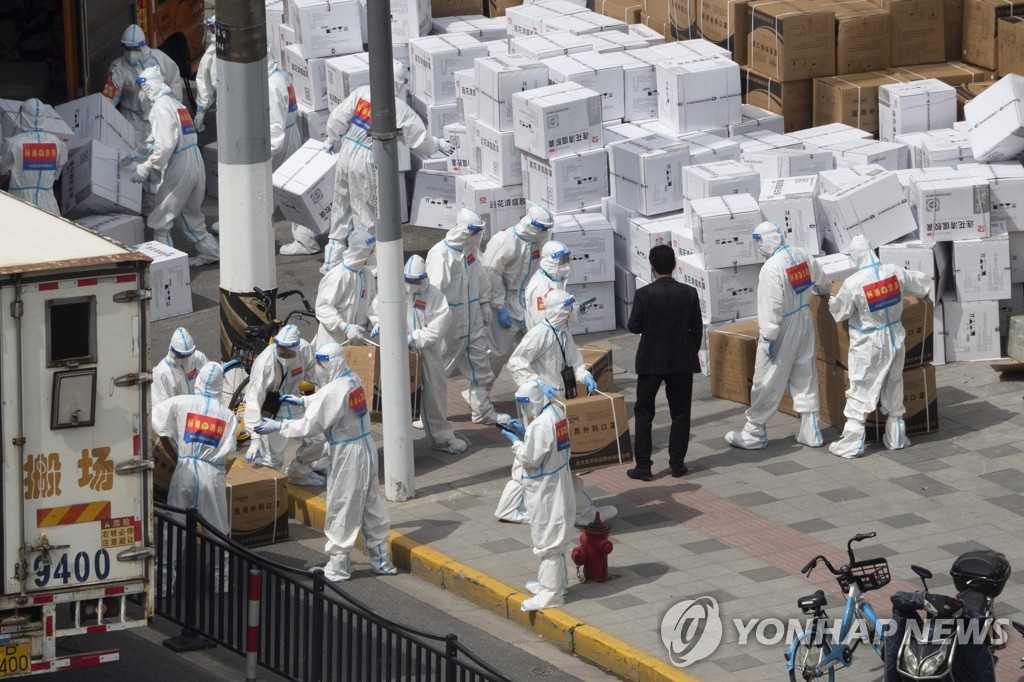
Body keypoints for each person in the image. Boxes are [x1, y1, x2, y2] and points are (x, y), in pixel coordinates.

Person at [253, 343, 398, 582]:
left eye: (321, 362)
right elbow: (330, 399)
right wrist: (304, 402)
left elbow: (312, 425)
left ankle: (338, 567)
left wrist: (279, 426)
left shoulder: (336, 390)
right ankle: (382, 560)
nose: (319, 367)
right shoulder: (352, 379)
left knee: (342, 506)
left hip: (348, 454)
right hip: (365, 447)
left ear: (332, 362)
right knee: (370, 504)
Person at [321, 59, 455, 273]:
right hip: (368, 158)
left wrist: (330, 138)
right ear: (399, 84)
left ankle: (331, 262)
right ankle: (369, 265)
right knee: (365, 212)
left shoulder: (361, 93)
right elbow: (418, 138)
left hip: (346, 152)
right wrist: (438, 144)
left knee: (341, 206)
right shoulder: (399, 108)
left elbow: (338, 116)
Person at [504, 288, 615, 528]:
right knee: (544, 457)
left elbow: (574, 361)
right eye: (566, 311)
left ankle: (514, 507)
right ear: (556, 311)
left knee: (552, 457)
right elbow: (516, 361)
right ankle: (581, 512)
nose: (571, 315)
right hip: (539, 403)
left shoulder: (563, 331)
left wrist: (583, 375)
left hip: (559, 402)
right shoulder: (539, 335)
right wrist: (536, 383)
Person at [726, 221, 833, 450]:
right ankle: (810, 430)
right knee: (805, 373)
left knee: (766, 379)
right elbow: (822, 282)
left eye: (760, 243)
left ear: (767, 241)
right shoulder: (801, 255)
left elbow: (771, 305)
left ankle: (754, 431)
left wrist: (768, 337)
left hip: (782, 326)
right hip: (804, 319)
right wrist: (824, 291)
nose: (759, 248)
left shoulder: (771, 268)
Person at [828, 235, 931, 459]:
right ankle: (896, 438)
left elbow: (839, 312)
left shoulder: (854, 282)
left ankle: (852, 443)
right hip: (895, 336)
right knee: (894, 384)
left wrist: (830, 300)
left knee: (861, 388)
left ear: (856, 257)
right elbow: (921, 285)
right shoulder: (895, 271)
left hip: (869, 343)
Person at [152, 362, 237, 593]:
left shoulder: (182, 402)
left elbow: (157, 419)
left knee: (174, 528)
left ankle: (163, 586)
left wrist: (174, 437)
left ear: (198, 381)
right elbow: (229, 450)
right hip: (212, 474)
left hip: (185, 472)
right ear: (221, 385)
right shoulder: (228, 416)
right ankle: (222, 583)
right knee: (217, 529)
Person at [371, 255, 468, 454]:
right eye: (408, 280)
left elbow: (439, 326)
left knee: (434, 393)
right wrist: (379, 324)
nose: (412, 284)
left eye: (415, 280)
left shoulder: (433, 296)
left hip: (427, 351)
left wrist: (415, 338)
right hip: (396, 351)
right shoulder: (394, 289)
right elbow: (377, 309)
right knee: (394, 395)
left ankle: (441, 438)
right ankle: (397, 443)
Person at [425, 207, 509, 426]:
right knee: (437, 372)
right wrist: (434, 325)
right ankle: (428, 416)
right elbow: (432, 294)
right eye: (473, 231)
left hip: (472, 323)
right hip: (449, 327)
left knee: (481, 368)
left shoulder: (469, 251)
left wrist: (485, 303)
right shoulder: (441, 254)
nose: (475, 236)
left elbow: (480, 277)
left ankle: (483, 412)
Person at [129, 66, 220, 267]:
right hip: (194, 160)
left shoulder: (160, 107)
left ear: (150, 87)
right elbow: (156, 139)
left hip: (180, 164)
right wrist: (134, 155)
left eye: (142, 89)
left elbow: (165, 144)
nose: (141, 95)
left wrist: (146, 167)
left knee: (161, 216)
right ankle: (212, 252)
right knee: (190, 214)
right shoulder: (175, 104)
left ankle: (166, 264)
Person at [626, 244, 702, 481]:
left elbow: (633, 326)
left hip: (651, 360)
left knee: (644, 411)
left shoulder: (644, 294)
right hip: (681, 360)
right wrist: (690, 351)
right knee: (680, 412)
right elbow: (697, 329)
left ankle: (644, 466)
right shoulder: (689, 293)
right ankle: (677, 464)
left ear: (652, 267)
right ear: (675, 266)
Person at [498, 379, 575, 611]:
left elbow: (531, 459)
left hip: (546, 489)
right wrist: (526, 435)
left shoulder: (541, 424)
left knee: (548, 541)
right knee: (556, 537)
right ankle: (555, 585)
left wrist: (517, 443)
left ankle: (550, 595)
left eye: (526, 403)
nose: (524, 408)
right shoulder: (556, 412)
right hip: (558, 481)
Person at [241, 324, 325, 485]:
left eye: (288, 352)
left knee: (316, 439)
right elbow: (253, 400)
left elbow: (315, 373)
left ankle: (299, 474)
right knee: (273, 459)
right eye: (281, 351)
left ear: (297, 346)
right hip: (271, 410)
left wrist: (329, 389)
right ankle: (269, 491)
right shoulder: (265, 364)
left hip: (294, 403)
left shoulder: (305, 350)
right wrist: (255, 437)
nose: (284, 355)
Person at [481, 205, 555, 372]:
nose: (544, 232)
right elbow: (492, 275)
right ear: (531, 224)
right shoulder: (504, 241)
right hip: (505, 302)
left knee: (537, 348)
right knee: (498, 352)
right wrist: (499, 306)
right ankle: (481, 392)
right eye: (542, 227)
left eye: (546, 228)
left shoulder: (538, 240)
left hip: (528, 301)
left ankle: (534, 389)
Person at [270, 46, 320, 257]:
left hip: (279, 143)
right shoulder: (279, 75)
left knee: (287, 193)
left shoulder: (271, 85)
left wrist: (267, 152)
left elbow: (275, 126)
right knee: (280, 191)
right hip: (290, 135)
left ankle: (306, 240)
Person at [102, 24, 184, 144]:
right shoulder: (118, 68)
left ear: (143, 46)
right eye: (128, 49)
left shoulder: (160, 59)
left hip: (159, 118)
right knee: (135, 158)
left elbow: (174, 83)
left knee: (161, 154)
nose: (131, 53)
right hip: (132, 121)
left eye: (135, 49)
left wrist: (175, 113)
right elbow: (107, 100)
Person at [0, 99, 68, 215]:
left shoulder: (13, 143)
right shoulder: (56, 143)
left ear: (23, 116)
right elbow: (61, 163)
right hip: (48, 204)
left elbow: (3, 171)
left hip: (20, 203)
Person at [314, 228, 376, 347]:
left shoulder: (367, 275)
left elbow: (373, 303)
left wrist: (377, 322)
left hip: (356, 338)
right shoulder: (338, 276)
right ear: (361, 251)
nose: (371, 255)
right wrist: (344, 327)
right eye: (369, 251)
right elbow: (323, 307)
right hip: (333, 340)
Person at [151, 327, 210, 407]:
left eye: (188, 355)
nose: (186, 359)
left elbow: (211, 383)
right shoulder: (162, 373)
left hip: (200, 413)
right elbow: (162, 408)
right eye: (182, 356)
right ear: (173, 352)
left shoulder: (198, 358)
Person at [524, 240, 572, 330]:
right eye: (562, 260)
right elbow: (540, 319)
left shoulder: (555, 279)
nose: (566, 263)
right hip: (548, 337)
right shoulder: (541, 287)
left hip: (558, 332)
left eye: (567, 259)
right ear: (551, 261)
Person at [193, 16, 216, 134]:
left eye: (213, 27)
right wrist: (201, 109)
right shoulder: (212, 51)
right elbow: (203, 78)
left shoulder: (236, 47)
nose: (211, 30)